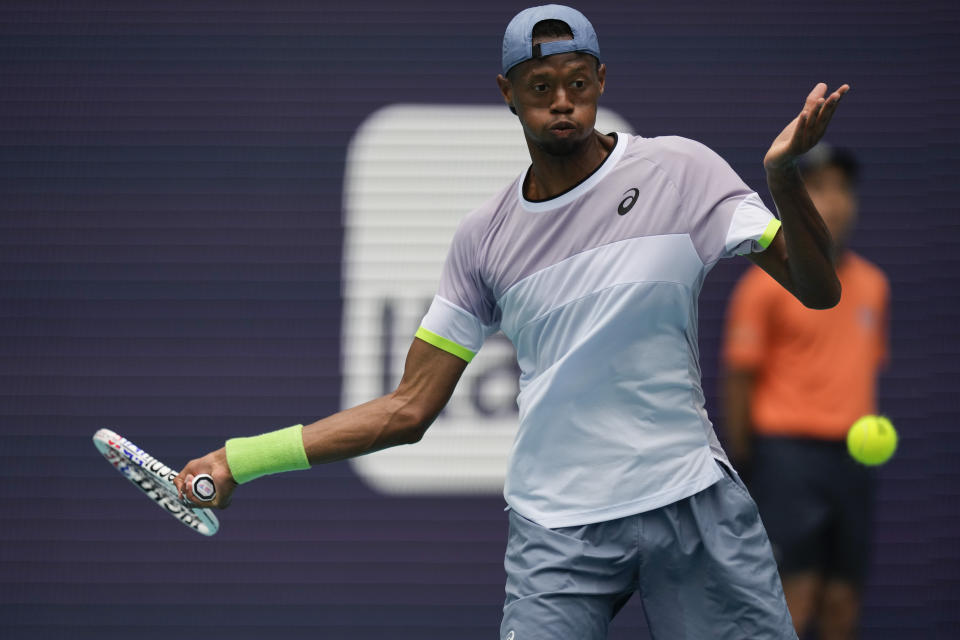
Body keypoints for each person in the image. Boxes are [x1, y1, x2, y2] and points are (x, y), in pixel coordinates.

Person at [175, 5, 850, 639]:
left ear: (601, 81)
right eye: (542, 86)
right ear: (507, 91)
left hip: (690, 503)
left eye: (579, 83)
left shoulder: (682, 171)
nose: (563, 100)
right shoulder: (484, 240)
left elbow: (819, 291)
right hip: (558, 531)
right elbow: (407, 410)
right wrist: (241, 460)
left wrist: (783, 176)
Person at [722, 144, 889, 640]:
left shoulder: (875, 286)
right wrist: (750, 465)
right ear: (796, 202)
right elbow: (739, 379)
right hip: (786, 459)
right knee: (793, 600)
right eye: (818, 188)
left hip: (854, 461)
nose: (834, 203)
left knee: (842, 602)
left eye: (842, 190)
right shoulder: (765, 286)